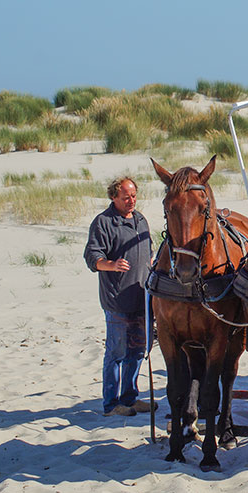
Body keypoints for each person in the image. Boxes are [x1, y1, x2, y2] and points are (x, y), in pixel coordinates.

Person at [83, 176, 154, 417]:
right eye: (126, 197)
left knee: (137, 351)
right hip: (117, 300)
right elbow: (92, 257)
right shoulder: (103, 223)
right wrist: (111, 265)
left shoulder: (140, 219)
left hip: (142, 298)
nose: (131, 201)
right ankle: (111, 405)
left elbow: (149, 251)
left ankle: (130, 398)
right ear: (114, 197)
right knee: (116, 352)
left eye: (133, 196)